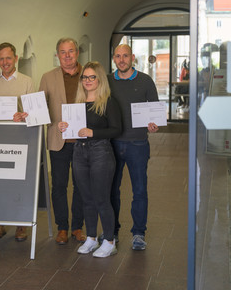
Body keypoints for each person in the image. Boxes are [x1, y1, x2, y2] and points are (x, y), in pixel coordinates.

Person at [58, 61, 121, 257]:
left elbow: (117, 129)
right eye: (84, 77)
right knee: (87, 199)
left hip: (100, 152)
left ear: (99, 79)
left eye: (92, 77)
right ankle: (91, 238)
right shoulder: (77, 104)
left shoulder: (108, 101)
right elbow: (73, 129)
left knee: (102, 198)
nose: (87, 80)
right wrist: (63, 127)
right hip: (79, 151)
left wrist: (93, 132)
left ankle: (109, 241)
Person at [0, 42, 34, 241]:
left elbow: (32, 112)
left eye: (8, 58)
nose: (5, 62)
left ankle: (20, 225)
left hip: (19, 141)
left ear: (16, 58)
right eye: (1, 58)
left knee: (19, 183)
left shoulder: (27, 81)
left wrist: (23, 115)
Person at [106, 44, 159, 251]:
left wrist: (153, 124)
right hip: (112, 143)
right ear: (114, 59)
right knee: (112, 190)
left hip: (138, 143)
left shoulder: (145, 81)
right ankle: (113, 231)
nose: (121, 60)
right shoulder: (108, 81)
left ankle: (138, 233)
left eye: (125, 56)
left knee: (139, 190)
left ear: (132, 57)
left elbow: (154, 111)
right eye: (118, 56)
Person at [39, 37, 85, 244]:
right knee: (58, 185)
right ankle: (62, 228)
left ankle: (77, 227)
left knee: (81, 185)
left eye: (71, 51)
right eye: (63, 52)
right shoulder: (48, 77)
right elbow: (41, 110)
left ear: (77, 53)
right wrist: (53, 123)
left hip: (83, 141)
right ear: (57, 55)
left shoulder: (89, 74)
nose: (67, 56)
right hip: (58, 140)